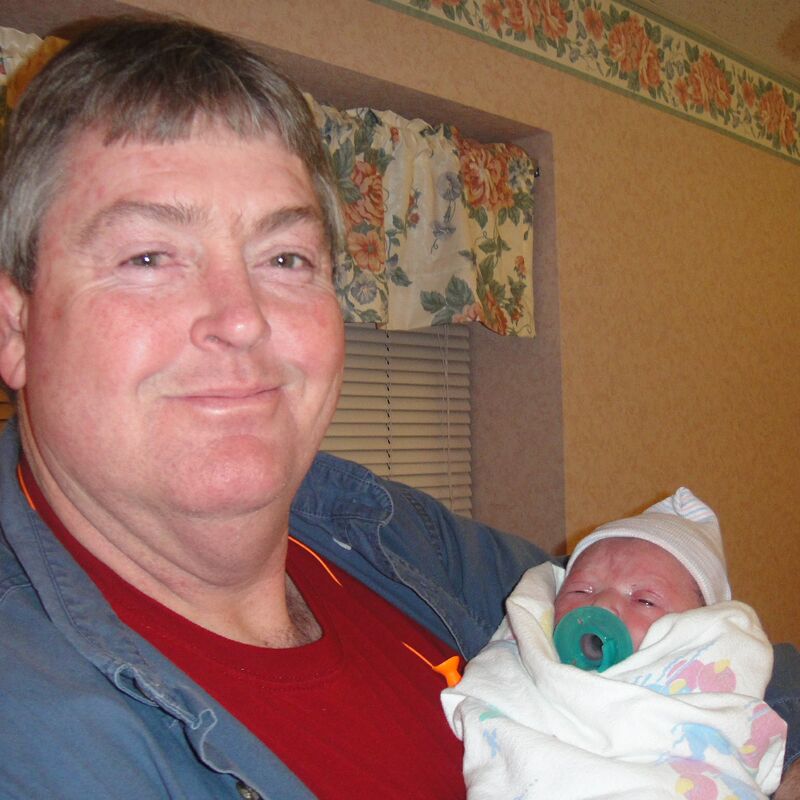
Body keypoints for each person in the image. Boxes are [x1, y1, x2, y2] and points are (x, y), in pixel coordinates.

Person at [0, 15, 797, 800]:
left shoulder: (386, 536)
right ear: (15, 327)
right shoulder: (36, 729)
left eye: (285, 258)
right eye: (148, 256)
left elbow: (735, 664)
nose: (242, 318)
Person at [442, 488, 788, 799]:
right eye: (581, 590)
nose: (602, 604)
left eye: (645, 600)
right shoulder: (524, 659)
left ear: (696, 628)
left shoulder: (708, 694)